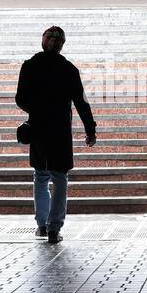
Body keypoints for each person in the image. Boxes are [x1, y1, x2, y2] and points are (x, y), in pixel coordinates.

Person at [15, 25, 97, 244]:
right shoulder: (68, 69)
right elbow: (81, 102)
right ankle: (54, 228)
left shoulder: (30, 66)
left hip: (39, 129)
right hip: (60, 130)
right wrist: (90, 129)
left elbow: (20, 99)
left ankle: (42, 225)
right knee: (59, 178)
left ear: (43, 41)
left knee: (41, 176)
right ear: (61, 45)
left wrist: (37, 109)